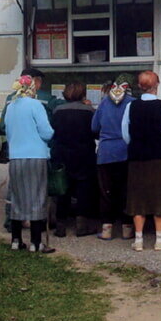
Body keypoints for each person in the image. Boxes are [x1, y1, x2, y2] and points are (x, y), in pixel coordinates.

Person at [1, 67, 64, 245]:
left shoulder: (11, 106)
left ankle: (16, 240)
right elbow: (46, 132)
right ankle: (36, 243)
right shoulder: (36, 105)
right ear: (32, 88)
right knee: (37, 197)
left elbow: (6, 129)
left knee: (17, 197)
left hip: (15, 157)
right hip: (36, 156)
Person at [121, 70, 161, 251]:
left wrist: (137, 144)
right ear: (157, 85)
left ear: (139, 86)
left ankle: (138, 240)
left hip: (137, 158)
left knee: (138, 198)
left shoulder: (131, 106)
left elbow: (125, 134)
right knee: (160, 197)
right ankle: (159, 239)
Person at [50, 82, 100, 238]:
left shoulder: (58, 111)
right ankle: (81, 225)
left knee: (62, 189)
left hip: (62, 153)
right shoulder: (89, 111)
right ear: (83, 94)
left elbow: (53, 131)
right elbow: (96, 132)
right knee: (83, 189)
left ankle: (60, 225)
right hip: (84, 154)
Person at [91, 77, 135, 241]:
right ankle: (127, 229)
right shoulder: (132, 102)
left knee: (106, 192)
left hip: (106, 153)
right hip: (126, 152)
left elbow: (94, 127)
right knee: (126, 191)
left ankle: (107, 229)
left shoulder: (103, 103)